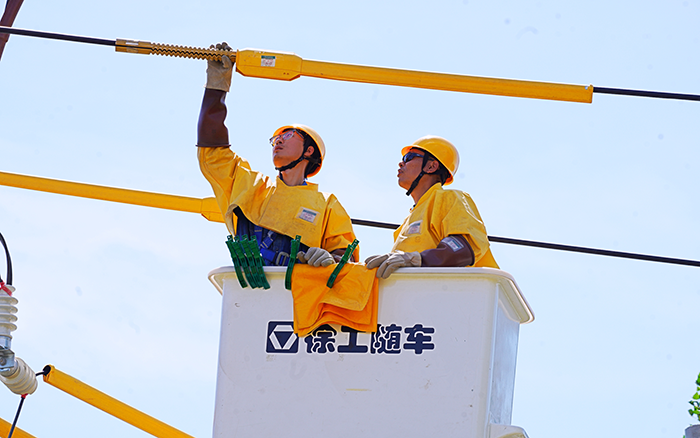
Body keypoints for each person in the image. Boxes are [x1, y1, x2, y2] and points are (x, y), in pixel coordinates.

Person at [197, 43, 357, 267]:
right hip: (250, 284)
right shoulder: (252, 186)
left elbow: (347, 259)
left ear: (309, 150)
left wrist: (332, 259)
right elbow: (213, 151)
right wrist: (217, 86)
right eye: (275, 138)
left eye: (288, 135)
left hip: (297, 288)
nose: (278, 141)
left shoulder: (326, 205)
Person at [365, 135, 498, 278]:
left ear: (431, 166)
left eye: (409, 157)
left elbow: (463, 247)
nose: (401, 163)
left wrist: (418, 259)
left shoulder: (450, 198)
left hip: (462, 290)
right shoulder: (406, 223)